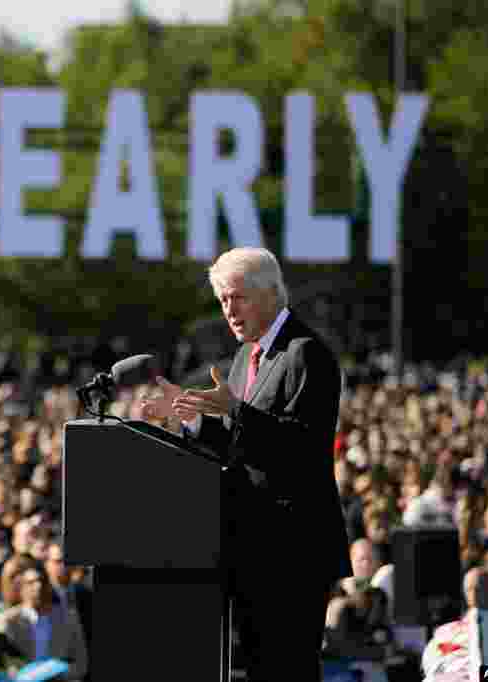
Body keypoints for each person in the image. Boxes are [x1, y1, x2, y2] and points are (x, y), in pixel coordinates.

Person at [143, 247, 351, 682]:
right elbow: (243, 445)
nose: (229, 311)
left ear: (271, 294)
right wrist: (193, 417)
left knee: (287, 668)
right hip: (254, 548)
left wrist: (236, 411)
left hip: (293, 550)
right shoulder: (246, 358)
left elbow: (302, 448)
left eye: (237, 298)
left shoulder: (305, 354)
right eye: (222, 301)